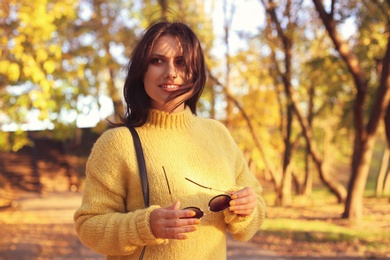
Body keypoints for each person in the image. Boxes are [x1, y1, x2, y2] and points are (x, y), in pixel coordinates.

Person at [74, 19, 266, 260]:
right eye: (157, 61)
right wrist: (145, 226)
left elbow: (251, 220)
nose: (171, 72)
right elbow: (88, 226)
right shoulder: (117, 143)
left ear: (195, 71)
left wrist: (247, 208)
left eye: (181, 62)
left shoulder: (218, 134)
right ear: (142, 70)